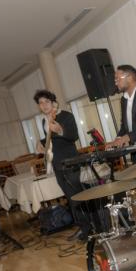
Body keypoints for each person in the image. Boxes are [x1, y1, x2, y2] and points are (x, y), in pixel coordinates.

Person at [34, 90, 89, 241]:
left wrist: (60, 129)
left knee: (77, 195)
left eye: (46, 101)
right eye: (40, 103)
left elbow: (73, 136)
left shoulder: (66, 116)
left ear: (53, 102)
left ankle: (88, 227)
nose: (44, 105)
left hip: (70, 162)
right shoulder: (45, 121)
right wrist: (41, 142)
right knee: (70, 198)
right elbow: (51, 139)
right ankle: (82, 226)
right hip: (57, 164)